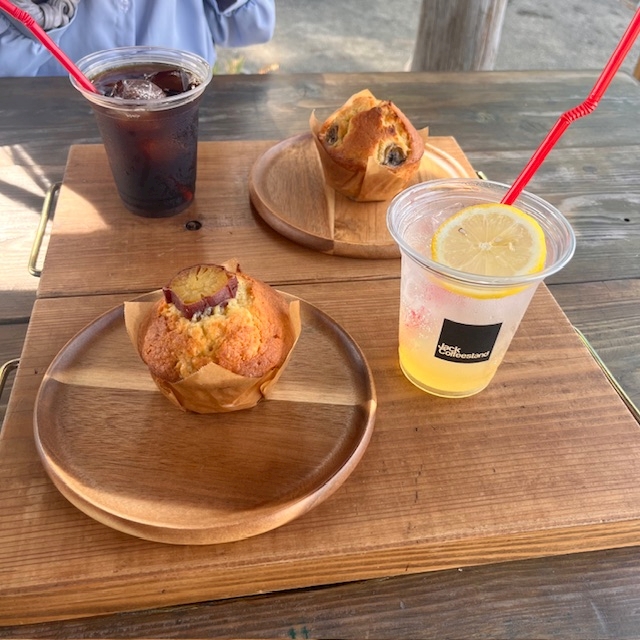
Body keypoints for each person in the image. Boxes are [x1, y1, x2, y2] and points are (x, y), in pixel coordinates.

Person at [0, 0, 276, 76]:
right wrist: (44, 12)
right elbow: (6, 67)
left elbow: (254, 26)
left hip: (185, 108)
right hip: (55, 116)